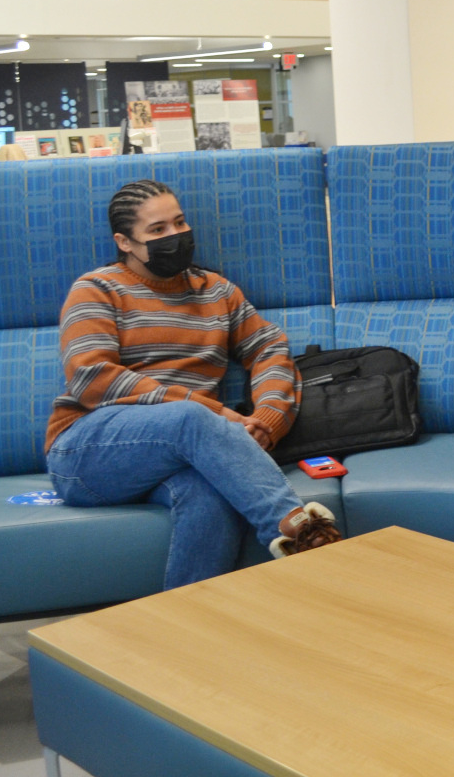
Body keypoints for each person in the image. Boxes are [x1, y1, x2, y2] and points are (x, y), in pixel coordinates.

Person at [45, 179, 344, 589]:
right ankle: (303, 534)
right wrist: (217, 415)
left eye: (179, 223)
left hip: (187, 449)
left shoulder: (217, 291)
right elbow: (91, 376)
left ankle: (188, 627)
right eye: (158, 230)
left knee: (209, 496)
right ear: (125, 242)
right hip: (88, 451)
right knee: (189, 415)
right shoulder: (97, 290)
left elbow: (268, 348)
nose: (176, 237)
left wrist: (267, 417)